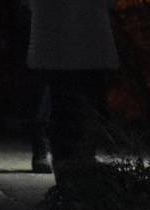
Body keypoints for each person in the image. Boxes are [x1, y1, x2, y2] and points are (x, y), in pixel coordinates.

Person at [26, 0, 120, 182]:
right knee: (83, 111)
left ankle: (66, 173)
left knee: (61, 111)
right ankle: (78, 171)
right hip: (89, 45)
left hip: (54, 44)